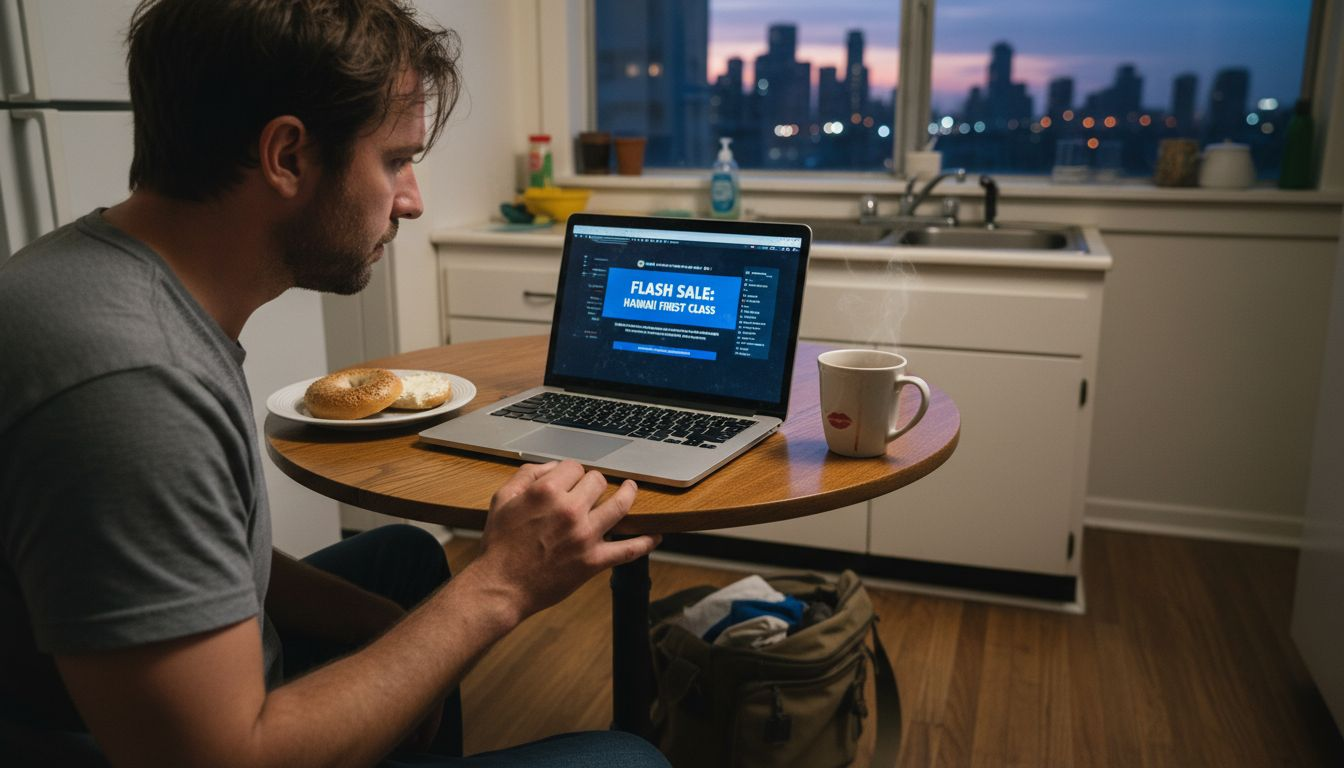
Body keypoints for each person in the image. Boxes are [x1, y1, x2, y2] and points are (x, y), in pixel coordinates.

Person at [0, 1, 668, 766]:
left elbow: (192, 555)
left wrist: (386, 624)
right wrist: (501, 584)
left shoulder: (97, 273)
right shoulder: (133, 384)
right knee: (629, 759)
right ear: (287, 156)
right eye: (394, 161)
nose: (411, 200)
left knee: (403, 565)